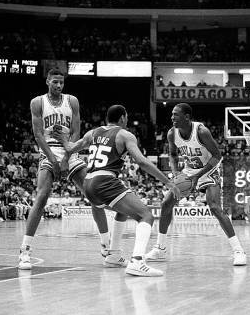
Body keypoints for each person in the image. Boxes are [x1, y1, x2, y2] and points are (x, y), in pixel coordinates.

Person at [65, 105, 179, 276]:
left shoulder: (92, 133)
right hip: (104, 181)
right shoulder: (125, 135)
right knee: (145, 215)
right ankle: (137, 261)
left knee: (122, 212)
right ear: (123, 118)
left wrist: (62, 139)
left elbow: (70, 148)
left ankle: (114, 255)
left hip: (88, 183)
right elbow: (141, 162)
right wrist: (168, 182)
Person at [18, 68, 109, 270]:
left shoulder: (72, 101)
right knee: (41, 197)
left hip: (70, 150)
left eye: (61, 82)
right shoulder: (38, 102)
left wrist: (68, 156)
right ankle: (25, 250)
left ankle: (107, 247)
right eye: (55, 82)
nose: (59, 85)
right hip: (49, 151)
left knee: (94, 195)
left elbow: (76, 131)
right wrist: (53, 159)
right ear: (47, 81)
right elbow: (38, 135)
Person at [146, 103, 247, 266]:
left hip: (209, 169)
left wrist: (197, 177)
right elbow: (172, 154)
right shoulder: (172, 133)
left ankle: (238, 251)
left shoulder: (201, 131)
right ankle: (160, 248)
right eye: (172, 114)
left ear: (187, 117)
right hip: (188, 170)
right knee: (166, 204)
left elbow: (217, 156)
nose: (172, 117)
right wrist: (176, 174)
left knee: (214, 207)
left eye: (176, 115)